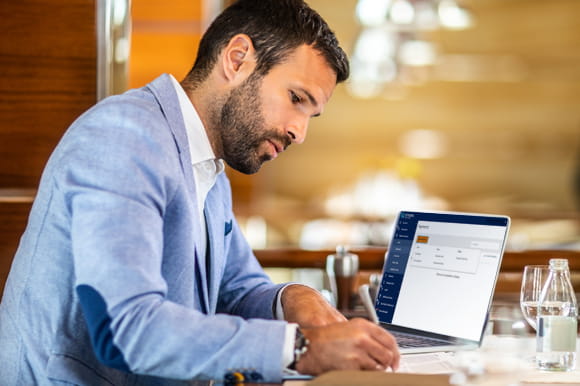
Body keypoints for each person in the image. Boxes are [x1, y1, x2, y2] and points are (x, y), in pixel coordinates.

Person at [0, 0, 400, 384]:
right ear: (237, 58)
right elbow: (126, 329)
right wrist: (301, 348)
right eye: (296, 99)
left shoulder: (210, 170)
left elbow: (238, 289)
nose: (300, 132)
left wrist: (295, 298)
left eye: (311, 114)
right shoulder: (123, 137)